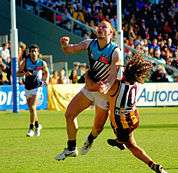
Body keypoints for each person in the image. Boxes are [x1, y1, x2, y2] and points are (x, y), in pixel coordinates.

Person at [55, 20, 121, 160]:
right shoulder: (89, 43)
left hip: (104, 94)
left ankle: (90, 139)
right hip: (90, 88)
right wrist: (64, 45)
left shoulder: (115, 51)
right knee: (69, 114)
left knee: (97, 128)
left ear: (110, 32)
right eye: (99, 26)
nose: (100, 28)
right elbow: (69, 50)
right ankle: (71, 148)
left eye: (105, 27)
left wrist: (107, 86)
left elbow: (114, 73)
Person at [106, 53, 167, 173]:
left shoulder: (116, 85)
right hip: (133, 118)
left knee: (132, 146)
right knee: (127, 139)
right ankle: (120, 141)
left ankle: (154, 165)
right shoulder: (137, 83)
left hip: (122, 122)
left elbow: (103, 85)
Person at [17, 44, 49, 137]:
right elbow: (17, 73)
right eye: (32, 51)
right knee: (31, 110)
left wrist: (46, 80)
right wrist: (24, 73)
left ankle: (31, 128)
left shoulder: (41, 63)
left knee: (33, 107)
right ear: (29, 52)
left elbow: (47, 72)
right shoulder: (25, 62)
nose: (33, 53)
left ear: (38, 53)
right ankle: (37, 125)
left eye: (35, 51)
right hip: (27, 87)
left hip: (37, 86)